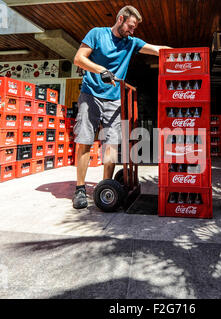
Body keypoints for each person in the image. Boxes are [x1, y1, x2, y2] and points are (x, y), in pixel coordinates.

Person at [72, 5, 171, 209]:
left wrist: (187, 55)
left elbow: (157, 50)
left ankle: (105, 186)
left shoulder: (131, 42)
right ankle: (80, 189)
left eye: (134, 28)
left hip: (114, 98)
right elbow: (79, 59)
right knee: (85, 141)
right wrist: (102, 70)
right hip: (90, 94)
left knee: (111, 146)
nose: (132, 31)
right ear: (120, 19)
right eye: (130, 26)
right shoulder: (97, 34)